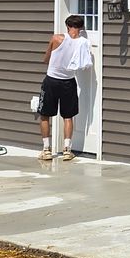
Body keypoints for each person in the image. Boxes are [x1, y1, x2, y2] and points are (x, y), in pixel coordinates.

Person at [38, 14, 93, 161]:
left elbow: (45, 59)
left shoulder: (56, 38)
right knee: (68, 116)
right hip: (69, 82)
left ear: (67, 26)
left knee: (45, 115)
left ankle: (46, 150)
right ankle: (67, 150)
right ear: (81, 28)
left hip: (51, 81)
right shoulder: (83, 43)